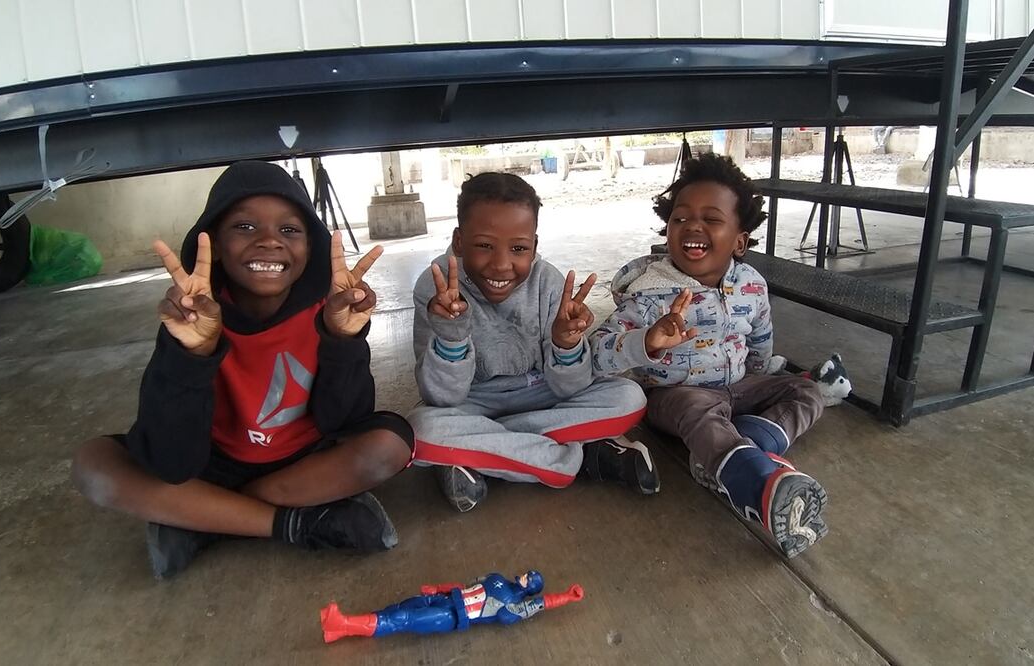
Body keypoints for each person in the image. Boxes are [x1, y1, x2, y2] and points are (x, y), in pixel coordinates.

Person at [71, 161, 413, 579]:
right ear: (212, 242)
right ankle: (290, 523)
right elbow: (172, 461)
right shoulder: (192, 320)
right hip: (212, 462)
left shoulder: (330, 312)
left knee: (390, 446)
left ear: (312, 248)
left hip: (302, 461)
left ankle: (208, 520)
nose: (269, 241)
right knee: (94, 466)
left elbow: (344, 422)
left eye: (290, 230)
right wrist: (193, 354)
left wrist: (343, 341)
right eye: (245, 227)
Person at [590, 153, 827, 558]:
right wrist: (647, 339)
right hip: (675, 396)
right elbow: (598, 351)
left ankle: (733, 447)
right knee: (697, 410)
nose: (692, 227)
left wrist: (760, 376)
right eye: (680, 218)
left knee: (808, 392)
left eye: (711, 219)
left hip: (737, 387)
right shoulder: (650, 291)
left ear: (740, 240)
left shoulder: (751, 284)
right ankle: (756, 486)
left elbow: (760, 338)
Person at [408, 172, 656, 513]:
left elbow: (569, 388)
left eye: (518, 249)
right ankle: (569, 459)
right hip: (470, 401)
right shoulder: (434, 286)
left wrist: (566, 344)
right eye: (483, 245)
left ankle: (484, 448)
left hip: (542, 393)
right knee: (418, 430)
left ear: (534, 247)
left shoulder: (549, 283)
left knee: (629, 397)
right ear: (459, 241)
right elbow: (441, 396)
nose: (501, 264)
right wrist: (451, 336)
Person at [320, 570, 584, 642]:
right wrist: (439, 588)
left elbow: (539, 605)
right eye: (529, 573)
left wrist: (566, 596)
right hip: (446, 598)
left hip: (452, 616)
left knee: (405, 619)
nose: (526, 576)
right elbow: (466, 584)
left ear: (531, 588)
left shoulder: (513, 606)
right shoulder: (496, 578)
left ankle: (343, 623)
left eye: (531, 578)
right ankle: (342, 629)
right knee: (399, 607)